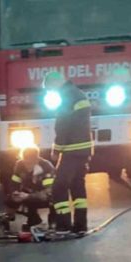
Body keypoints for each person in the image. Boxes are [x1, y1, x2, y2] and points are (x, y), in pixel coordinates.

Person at [43, 71, 93, 234]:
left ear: (54, 84)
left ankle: (63, 225)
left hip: (71, 149)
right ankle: (80, 224)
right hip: (84, 148)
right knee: (78, 185)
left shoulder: (65, 97)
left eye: (49, 89)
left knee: (59, 186)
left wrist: (56, 149)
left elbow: (63, 126)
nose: (50, 92)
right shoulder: (78, 93)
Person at [5, 146, 57, 232]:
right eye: (25, 161)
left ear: (37, 159)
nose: (27, 165)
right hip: (28, 192)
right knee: (10, 199)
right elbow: (15, 182)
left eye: (30, 163)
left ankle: (54, 221)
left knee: (55, 199)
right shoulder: (19, 165)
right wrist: (15, 192)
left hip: (45, 195)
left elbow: (49, 191)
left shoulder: (46, 167)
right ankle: (32, 220)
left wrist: (29, 196)